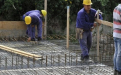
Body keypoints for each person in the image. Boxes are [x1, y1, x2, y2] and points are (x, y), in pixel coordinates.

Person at [113, 0, 121, 75]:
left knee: (116, 52)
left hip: (115, 33)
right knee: (119, 53)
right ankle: (119, 70)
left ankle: (115, 69)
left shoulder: (116, 8)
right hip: (120, 34)